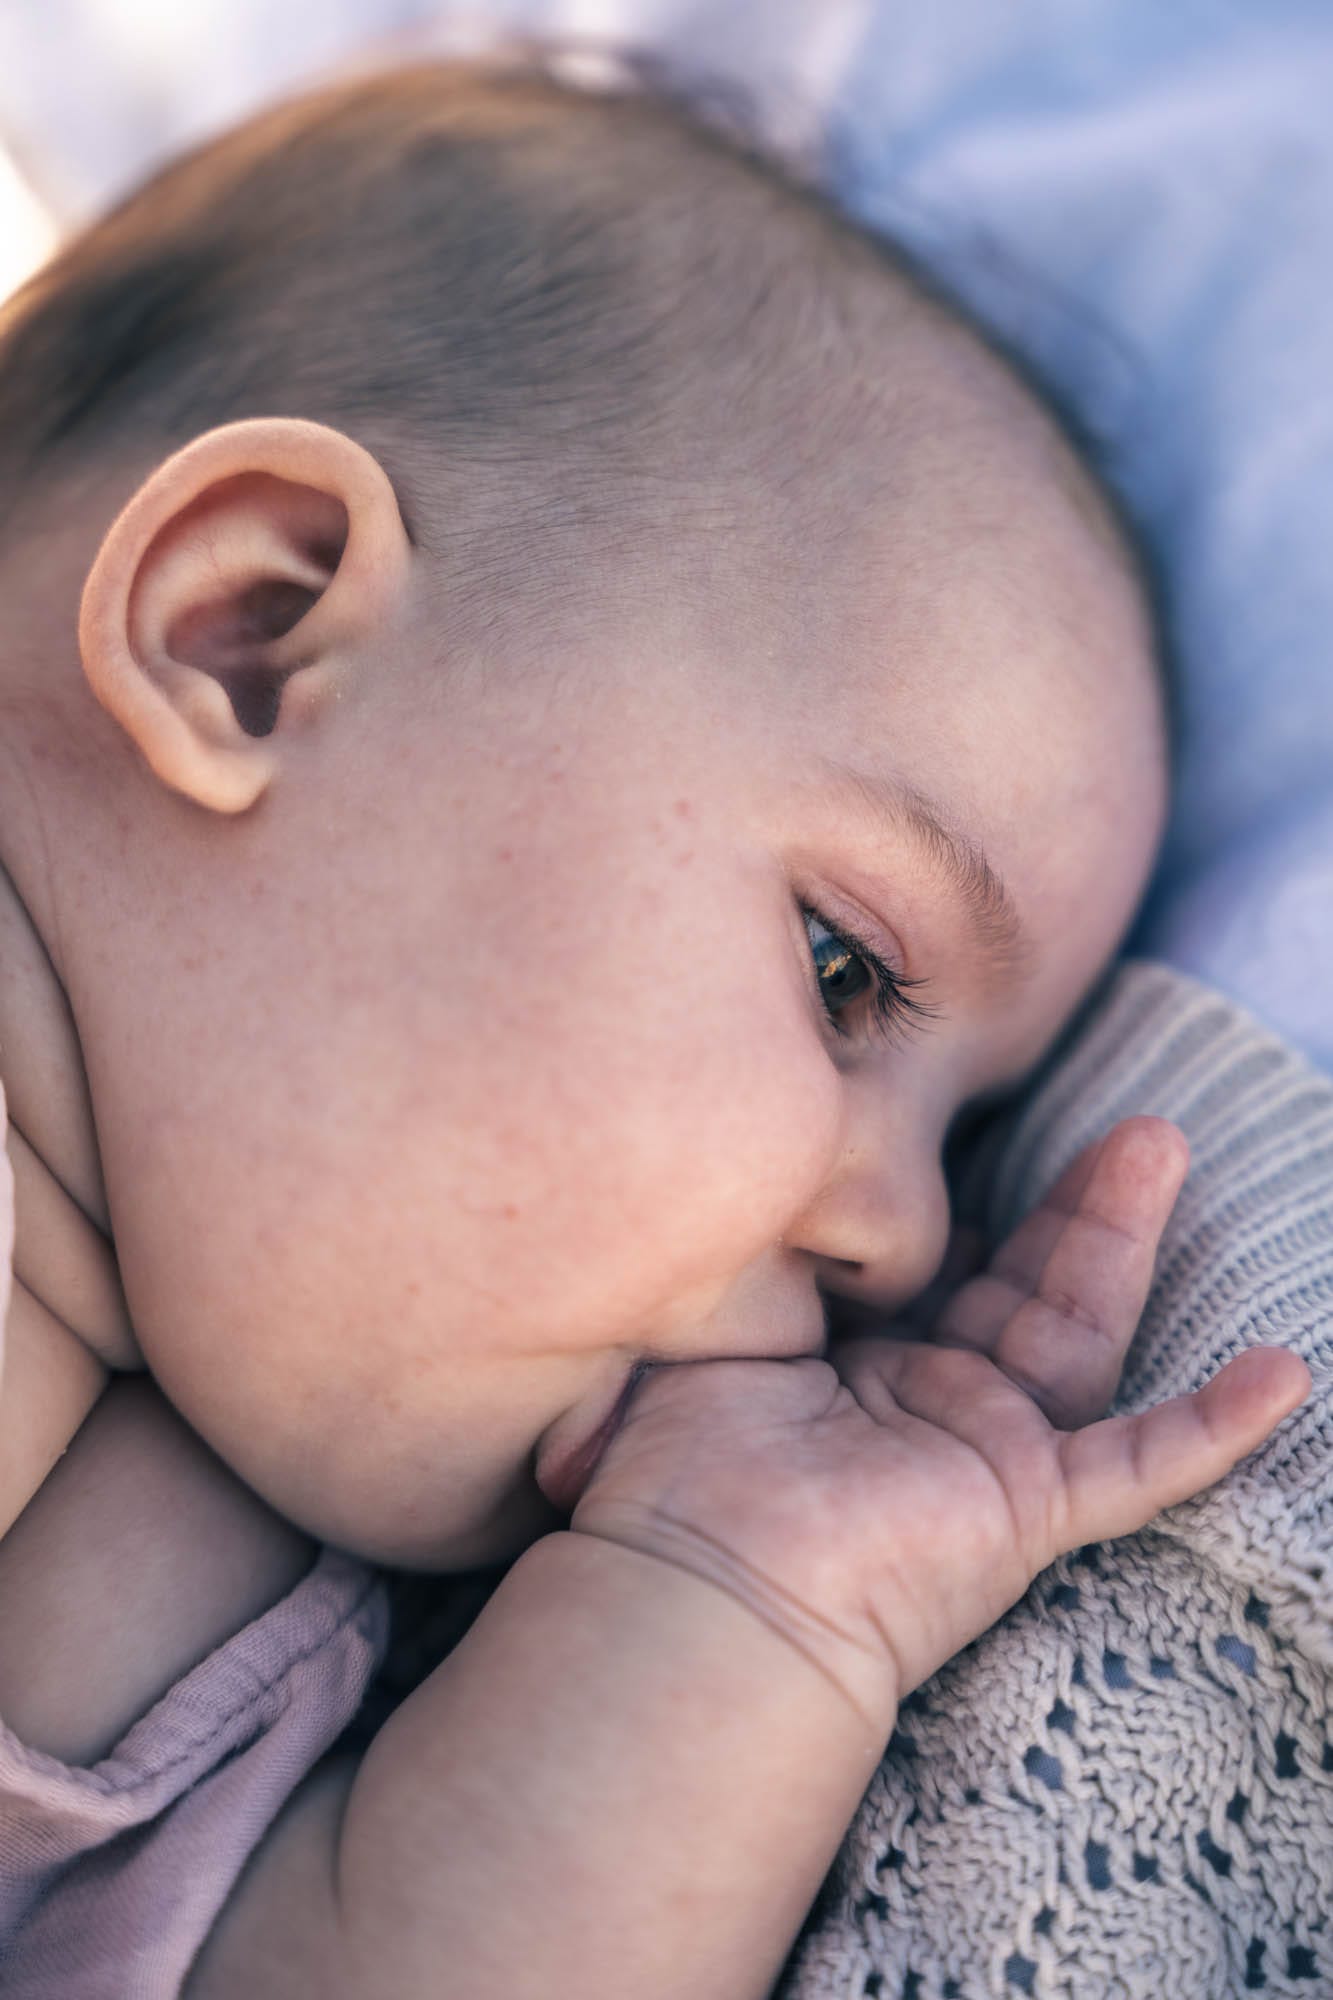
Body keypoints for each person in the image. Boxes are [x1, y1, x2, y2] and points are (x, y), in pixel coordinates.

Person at [0, 57, 1310, 1998]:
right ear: (250, 639)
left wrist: (741, 1602)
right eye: (847, 972)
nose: (907, 1242)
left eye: (962, 1130)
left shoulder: (248, 1601)